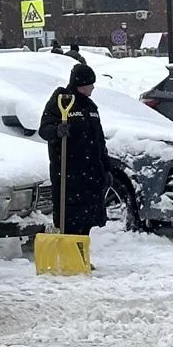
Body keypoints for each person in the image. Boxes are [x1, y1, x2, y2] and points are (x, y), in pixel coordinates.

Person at [38, 61, 110, 237]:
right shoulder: (62, 101)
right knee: (70, 220)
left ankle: (81, 257)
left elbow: (99, 140)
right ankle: (70, 258)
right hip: (69, 173)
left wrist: (105, 168)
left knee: (87, 220)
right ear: (80, 84)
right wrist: (57, 130)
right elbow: (44, 129)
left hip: (90, 173)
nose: (93, 87)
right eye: (89, 84)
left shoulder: (91, 107)